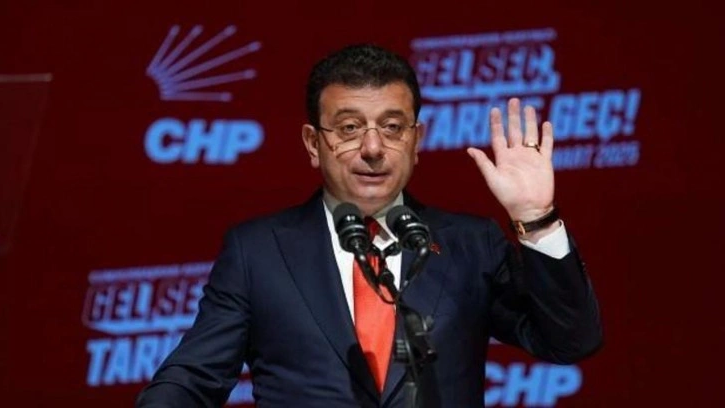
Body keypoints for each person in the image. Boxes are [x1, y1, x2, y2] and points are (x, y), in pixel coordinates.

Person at [136, 43, 602, 407]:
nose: (373, 148)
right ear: (313, 143)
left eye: (393, 127)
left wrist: (536, 217)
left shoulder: (469, 243)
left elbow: (570, 340)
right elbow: (193, 379)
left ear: (417, 140)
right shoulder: (258, 252)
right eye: (349, 128)